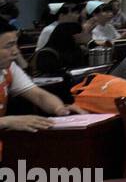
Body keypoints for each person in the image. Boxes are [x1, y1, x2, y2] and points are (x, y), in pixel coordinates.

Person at [0, 20, 87, 148]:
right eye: (8, 46)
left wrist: (60, 109)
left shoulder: (9, 68)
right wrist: (7, 121)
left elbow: (38, 95)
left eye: (15, 44)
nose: (16, 52)